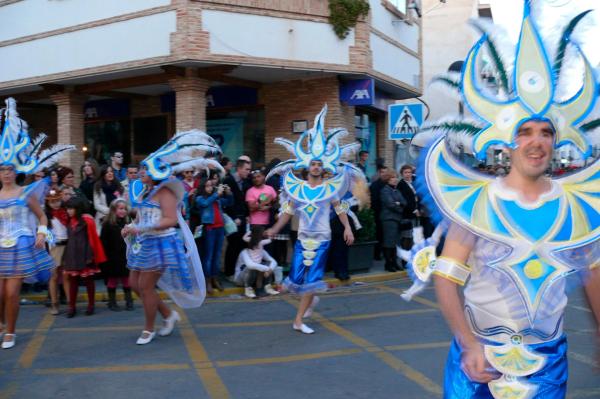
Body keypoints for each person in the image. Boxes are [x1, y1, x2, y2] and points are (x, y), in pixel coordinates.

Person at [413, 7, 600, 397]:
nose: (537, 141)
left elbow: (594, 275)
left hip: (547, 361)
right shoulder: (476, 203)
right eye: (526, 131)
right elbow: (447, 279)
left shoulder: (578, 207)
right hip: (478, 358)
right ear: (508, 140)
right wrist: (468, 342)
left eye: (546, 132)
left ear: (557, 140)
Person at [266, 105, 364, 334]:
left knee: (312, 279)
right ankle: (311, 300)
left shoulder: (330, 189)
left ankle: (298, 320)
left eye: (320, 164)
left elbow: (340, 209)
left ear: (323, 167)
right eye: (313, 164)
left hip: (322, 239)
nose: (317, 167)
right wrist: (273, 228)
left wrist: (348, 229)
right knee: (296, 282)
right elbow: (287, 212)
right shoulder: (296, 189)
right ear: (307, 166)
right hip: (302, 238)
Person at [123, 129, 216, 345]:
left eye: (145, 169)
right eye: (141, 169)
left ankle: (148, 329)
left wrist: (143, 227)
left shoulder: (165, 192)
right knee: (134, 284)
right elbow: (143, 216)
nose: (141, 172)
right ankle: (167, 314)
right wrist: (131, 225)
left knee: (145, 287)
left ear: (155, 171)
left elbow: (170, 219)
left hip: (161, 244)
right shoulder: (145, 191)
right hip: (144, 243)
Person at [0, 98, 74, 349]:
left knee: (11, 293)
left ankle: (10, 332)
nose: (7, 173)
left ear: (15, 171)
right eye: (2, 169)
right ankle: (2, 323)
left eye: (10, 169)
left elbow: (42, 216)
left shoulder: (25, 193)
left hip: (20, 245)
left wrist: (41, 233)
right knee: (0, 295)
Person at [62, 197, 106, 318]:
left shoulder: (87, 220)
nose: (69, 211)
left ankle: (91, 305)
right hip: (72, 254)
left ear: (78, 208)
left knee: (89, 281)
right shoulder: (68, 221)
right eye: (68, 208)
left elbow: (92, 240)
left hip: (86, 254)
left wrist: (90, 256)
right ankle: (71, 307)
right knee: (73, 282)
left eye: (71, 208)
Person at [194, 177, 233, 294]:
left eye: (211, 185)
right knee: (209, 257)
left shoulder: (216, 199)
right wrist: (217, 194)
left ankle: (215, 279)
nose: (210, 187)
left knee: (216, 257)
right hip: (209, 229)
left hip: (220, 229)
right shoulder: (200, 198)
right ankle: (207, 282)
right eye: (207, 185)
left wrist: (229, 193)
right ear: (202, 187)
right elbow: (205, 203)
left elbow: (229, 203)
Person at [101, 199, 133, 311]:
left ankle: (129, 301)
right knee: (112, 280)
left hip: (125, 256)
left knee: (126, 279)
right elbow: (103, 242)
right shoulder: (107, 224)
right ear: (114, 210)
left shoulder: (128, 224)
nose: (123, 211)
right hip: (112, 257)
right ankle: (112, 301)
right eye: (120, 208)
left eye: (124, 209)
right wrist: (105, 258)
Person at [222, 159, 252, 278]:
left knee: (242, 245)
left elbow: (245, 201)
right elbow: (226, 203)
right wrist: (233, 218)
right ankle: (229, 273)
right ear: (239, 169)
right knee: (232, 246)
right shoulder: (228, 180)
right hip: (231, 219)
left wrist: (246, 215)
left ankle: (238, 272)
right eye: (246, 169)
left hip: (243, 220)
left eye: (249, 169)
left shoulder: (247, 182)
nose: (248, 172)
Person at [234, 227, 279, 298]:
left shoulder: (261, 250)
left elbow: (273, 262)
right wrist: (267, 269)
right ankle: (248, 289)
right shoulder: (244, 252)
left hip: (253, 277)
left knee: (265, 264)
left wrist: (269, 269)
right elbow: (250, 265)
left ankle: (267, 286)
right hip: (240, 280)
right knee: (253, 267)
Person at [45, 188, 69, 315]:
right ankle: (55, 303)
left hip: (68, 245)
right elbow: (45, 233)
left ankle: (70, 303)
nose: (55, 203)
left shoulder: (66, 212)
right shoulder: (46, 216)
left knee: (66, 275)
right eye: (52, 201)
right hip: (54, 247)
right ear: (48, 203)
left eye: (58, 200)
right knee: (53, 276)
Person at [380, 171, 406, 272]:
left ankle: (394, 262)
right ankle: (388, 264)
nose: (395, 180)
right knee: (389, 242)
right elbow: (391, 204)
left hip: (397, 219)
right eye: (392, 178)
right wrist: (399, 206)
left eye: (396, 178)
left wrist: (398, 204)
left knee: (395, 243)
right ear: (387, 180)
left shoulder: (397, 191)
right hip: (389, 219)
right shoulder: (385, 190)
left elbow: (404, 202)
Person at [93, 165, 124, 231]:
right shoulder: (98, 186)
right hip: (103, 218)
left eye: (111, 171)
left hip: (117, 218)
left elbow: (122, 201)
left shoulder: (119, 186)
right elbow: (97, 205)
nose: (110, 174)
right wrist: (111, 212)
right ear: (103, 175)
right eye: (107, 172)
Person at [396, 164, 419, 253]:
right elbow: (404, 201)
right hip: (407, 214)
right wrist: (414, 210)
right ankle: (404, 260)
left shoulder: (413, 183)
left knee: (414, 236)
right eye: (405, 172)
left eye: (409, 172)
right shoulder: (401, 185)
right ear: (402, 174)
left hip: (415, 214)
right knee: (406, 236)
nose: (408, 174)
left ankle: (412, 256)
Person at [369, 166, 389, 260]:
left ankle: (385, 253)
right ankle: (377, 254)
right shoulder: (375, 185)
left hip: (387, 214)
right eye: (382, 172)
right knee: (379, 235)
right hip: (379, 214)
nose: (384, 174)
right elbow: (374, 201)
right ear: (379, 173)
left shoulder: (388, 184)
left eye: (386, 172)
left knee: (386, 235)